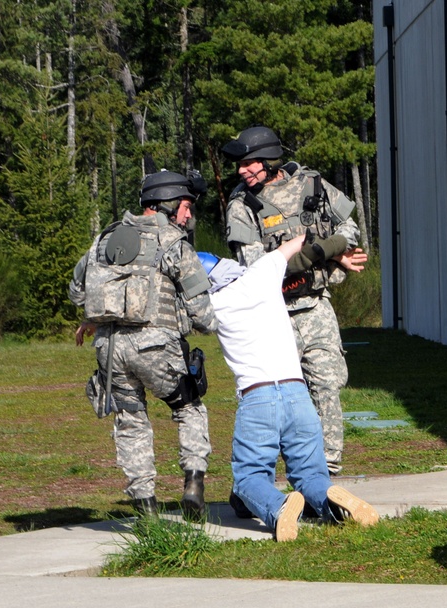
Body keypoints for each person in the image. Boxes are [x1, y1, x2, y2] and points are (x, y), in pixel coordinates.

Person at [198, 234, 378, 541]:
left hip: (258, 398)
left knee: (248, 477)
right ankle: (334, 503)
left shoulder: (212, 305)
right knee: (310, 474)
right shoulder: (262, 272)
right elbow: (302, 241)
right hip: (298, 395)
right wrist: (337, 254)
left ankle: (280, 508)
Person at [69, 170, 217, 518]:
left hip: (109, 350)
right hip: (157, 348)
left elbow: (77, 291)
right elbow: (203, 312)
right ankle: (194, 480)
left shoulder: (104, 239)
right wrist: (212, 324)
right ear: (167, 204)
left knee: (131, 422)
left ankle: (145, 507)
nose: (189, 215)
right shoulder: (172, 241)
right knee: (189, 406)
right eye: (185, 206)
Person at [222, 126, 362, 479]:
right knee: (270, 400)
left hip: (315, 307)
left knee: (327, 387)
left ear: (270, 160)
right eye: (239, 164)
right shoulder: (242, 206)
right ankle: (258, 481)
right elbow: (258, 268)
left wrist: (330, 251)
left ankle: (326, 475)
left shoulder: (312, 184)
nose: (241, 170)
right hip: (272, 316)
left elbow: (350, 229)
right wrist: (324, 251)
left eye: (248, 162)